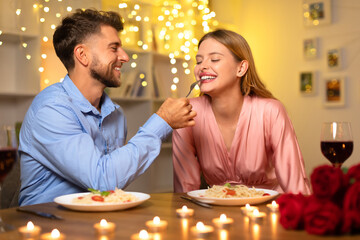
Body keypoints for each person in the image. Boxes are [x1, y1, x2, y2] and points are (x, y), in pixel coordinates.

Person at [18, 9, 196, 206]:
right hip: (46, 224)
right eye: (114, 48)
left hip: (96, 222)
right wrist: (162, 121)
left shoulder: (115, 114)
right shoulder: (51, 110)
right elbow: (102, 180)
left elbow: (113, 186)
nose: (125, 57)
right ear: (82, 55)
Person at [172, 29, 311, 195]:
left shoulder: (271, 111)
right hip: (217, 212)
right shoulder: (187, 112)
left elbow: (296, 187)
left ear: (241, 68)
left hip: (271, 210)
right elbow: (185, 191)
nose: (202, 67)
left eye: (214, 59)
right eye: (199, 61)